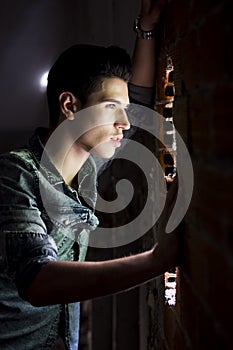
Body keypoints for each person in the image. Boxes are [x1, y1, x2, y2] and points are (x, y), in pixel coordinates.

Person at [0, 1, 179, 349]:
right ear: (70, 106)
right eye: (112, 107)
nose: (124, 124)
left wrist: (145, 29)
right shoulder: (14, 174)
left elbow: (139, 102)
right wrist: (157, 260)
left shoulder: (86, 169)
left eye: (122, 110)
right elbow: (37, 281)